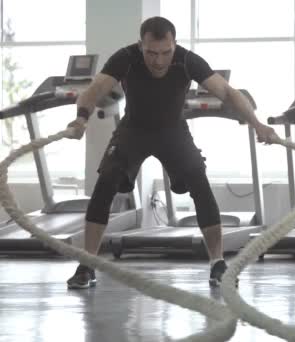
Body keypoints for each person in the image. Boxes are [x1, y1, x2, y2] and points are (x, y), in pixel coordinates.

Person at [64, 16, 277, 289]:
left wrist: (257, 124)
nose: (159, 61)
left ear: (174, 45)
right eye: (151, 53)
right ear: (141, 45)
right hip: (134, 131)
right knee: (106, 183)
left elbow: (226, 92)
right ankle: (87, 265)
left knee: (199, 182)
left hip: (173, 132)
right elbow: (93, 91)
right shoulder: (126, 57)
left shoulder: (187, 60)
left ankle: (218, 264)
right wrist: (81, 119)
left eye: (166, 52)